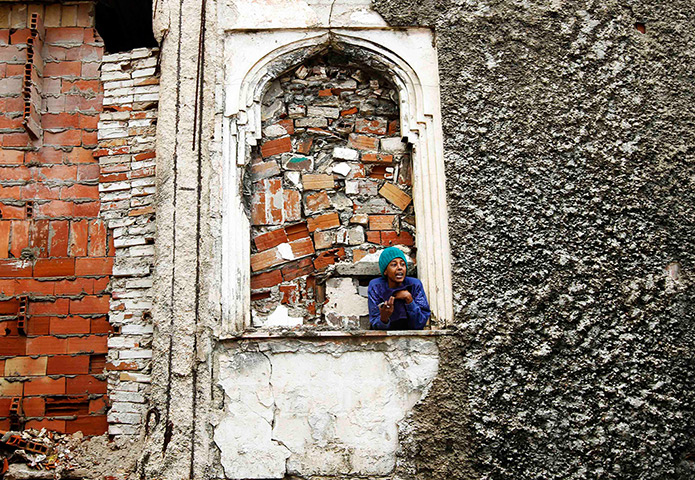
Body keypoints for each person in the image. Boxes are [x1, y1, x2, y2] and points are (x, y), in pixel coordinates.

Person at [368, 247, 430, 330]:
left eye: (402, 264)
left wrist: (409, 299)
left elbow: (419, 324)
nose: (399, 267)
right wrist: (384, 318)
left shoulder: (414, 285)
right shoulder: (376, 287)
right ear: (385, 271)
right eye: (394, 264)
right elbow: (375, 325)